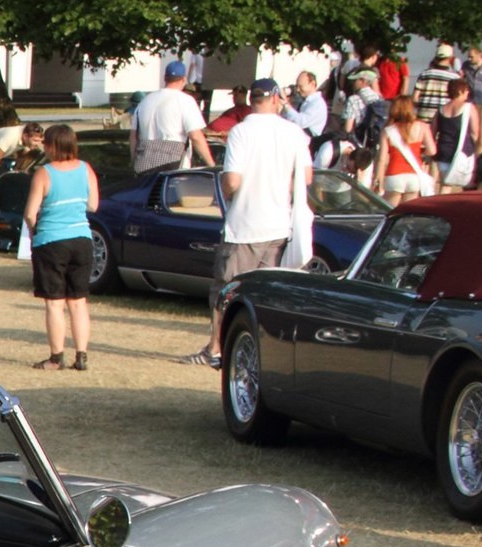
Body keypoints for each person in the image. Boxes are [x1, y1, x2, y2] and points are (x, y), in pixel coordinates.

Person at [186, 79, 309, 367]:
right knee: (265, 294)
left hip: (245, 224)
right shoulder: (293, 132)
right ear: (276, 99)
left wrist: (226, 193)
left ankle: (215, 348)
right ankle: (260, 351)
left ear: (251, 100)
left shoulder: (241, 131)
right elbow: (305, 176)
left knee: (226, 289)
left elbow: (232, 181)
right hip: (279, 224)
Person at [22, 124, 100, 371]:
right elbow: (94, 205)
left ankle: (56, 357)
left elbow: (30, 214)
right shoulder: (86, 169)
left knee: (54, 303)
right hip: (81, 238)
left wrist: (35, 231)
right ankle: (82, 355)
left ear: (53, 147)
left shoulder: (44, 173)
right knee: (78, 301)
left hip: (52, 240)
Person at [130, 59, 215, 173]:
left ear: (165, 78)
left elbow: (133, 137)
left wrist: (134, 162)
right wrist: (212, 165)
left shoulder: (145, 101)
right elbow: (196, 137)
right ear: (184, 79)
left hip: (144, 166)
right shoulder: (186, 101)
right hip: (174, 167)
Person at [374, 96, 436, 203]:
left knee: (390, 211)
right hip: (414, 175)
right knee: (408, 212)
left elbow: (382, 159)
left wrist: (378, 176)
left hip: (394, 175)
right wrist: (420, 154)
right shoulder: (422, 126)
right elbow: (432, 150)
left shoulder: (388, 130)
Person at [432, 80, 479, 190]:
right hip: (463, 152)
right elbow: (474, 133)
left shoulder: (440, 109)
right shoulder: (469, 107)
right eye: (466, 90)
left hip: (443, 151)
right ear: (460, 91)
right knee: (466, 186)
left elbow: (432, 132)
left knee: (445, 185)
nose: (468, 93)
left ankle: (442, 206)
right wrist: (477, 153)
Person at [283, 70, 333, 167]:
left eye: (301, 86)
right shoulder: (305, 102)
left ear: (312, 84)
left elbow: (300, 121)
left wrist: (286, 105)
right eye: (296, 86)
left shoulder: (317, 104)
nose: (297, 90)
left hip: (306, 150)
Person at [412, 44, 457, 119]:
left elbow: (415, 97)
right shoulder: (454, 77)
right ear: (450, 58)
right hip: (443, 118)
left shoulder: (424, 74)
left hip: (423, 117)